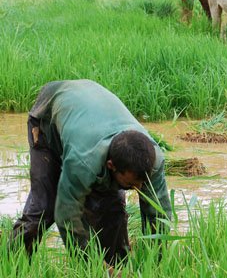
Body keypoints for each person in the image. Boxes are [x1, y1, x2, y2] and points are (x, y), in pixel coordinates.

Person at [10, 79, 171, 273]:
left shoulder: (152, 160)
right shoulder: (84, 161)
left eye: (141, 184)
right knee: (45, 208)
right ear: (111, 166)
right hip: (49, 117)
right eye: (130, 184)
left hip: (90, 113)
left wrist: (153, 267)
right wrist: (98, 268)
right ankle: (10, 265)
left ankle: (120, 266)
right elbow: (67, 217)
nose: (137, 189)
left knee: (113, 211)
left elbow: (158, 218)